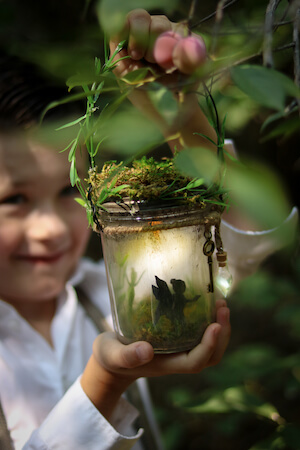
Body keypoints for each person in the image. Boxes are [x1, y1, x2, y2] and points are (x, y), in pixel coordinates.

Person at [0, 9, 297, 450]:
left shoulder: (106, 297)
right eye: (14, 199)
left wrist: (183, 121)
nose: (48, 230)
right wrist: (104, 384)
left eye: (70, 192)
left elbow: (241, 249)